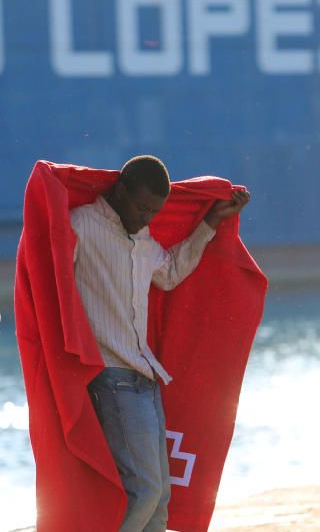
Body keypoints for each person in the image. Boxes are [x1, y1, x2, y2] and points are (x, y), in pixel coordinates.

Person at [71, 155, 250, 531]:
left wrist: (211, 222)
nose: (145, 217)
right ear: (120, 190)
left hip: (146, 378)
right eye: (140, 207)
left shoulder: (142, 237)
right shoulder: (81, 225)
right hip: (110, 376)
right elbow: (49, 275)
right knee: (144, 491)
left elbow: (168, 274)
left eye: (153, 211)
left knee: (160, 499)